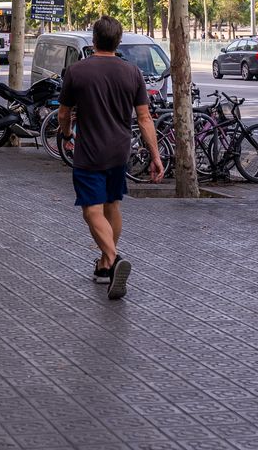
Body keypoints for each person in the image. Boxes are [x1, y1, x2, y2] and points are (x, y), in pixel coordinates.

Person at [58, 15, 164, 301]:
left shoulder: (77, 71)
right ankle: (105, 267)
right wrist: (155, 156)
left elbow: (64, 113)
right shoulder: (132, 73)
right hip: (120, 151)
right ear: (119, 42)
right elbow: (144, 118)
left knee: (91, 211)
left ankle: (114, 259)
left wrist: (66, 134)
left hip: (89, 151)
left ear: (94, 40)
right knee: (112, 205)